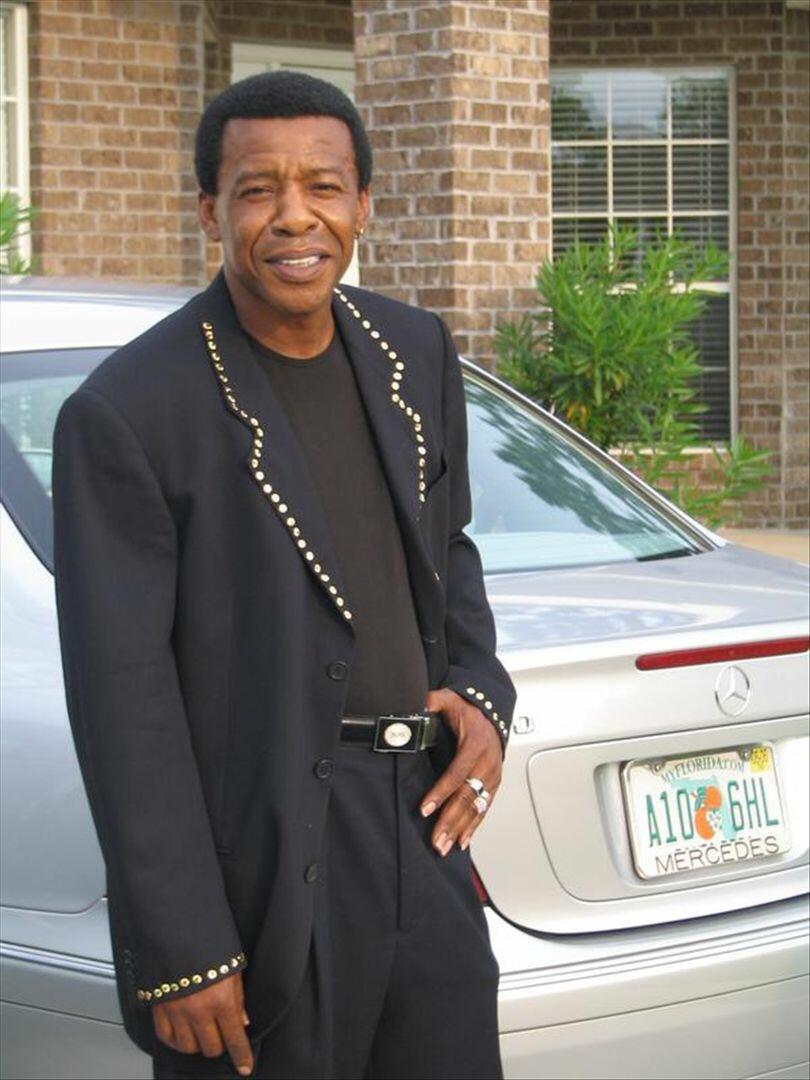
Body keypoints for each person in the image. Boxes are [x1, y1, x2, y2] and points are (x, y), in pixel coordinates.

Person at [51, 71, 517, 1080]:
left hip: (422, 834)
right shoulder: (131, 412)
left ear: (363, 205)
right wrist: (183, 945)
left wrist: (483, 695)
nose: (295, 216)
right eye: (258, 189)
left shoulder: (415, 349)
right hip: (262, 869)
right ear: (211, 211)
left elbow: (450, 552)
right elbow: (123, 703)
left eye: (324, 186)